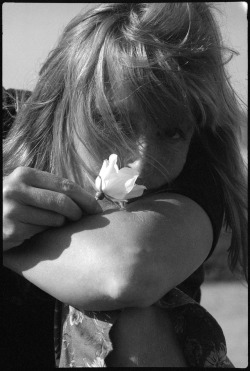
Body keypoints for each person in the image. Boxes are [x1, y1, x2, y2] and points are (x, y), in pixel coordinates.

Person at [3, 3, 247, 368]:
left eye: (171, 132)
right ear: (62, 105)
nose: (142, 163)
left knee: (136, 316)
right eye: (114, 120)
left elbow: (126, 270)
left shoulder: (196, 172)